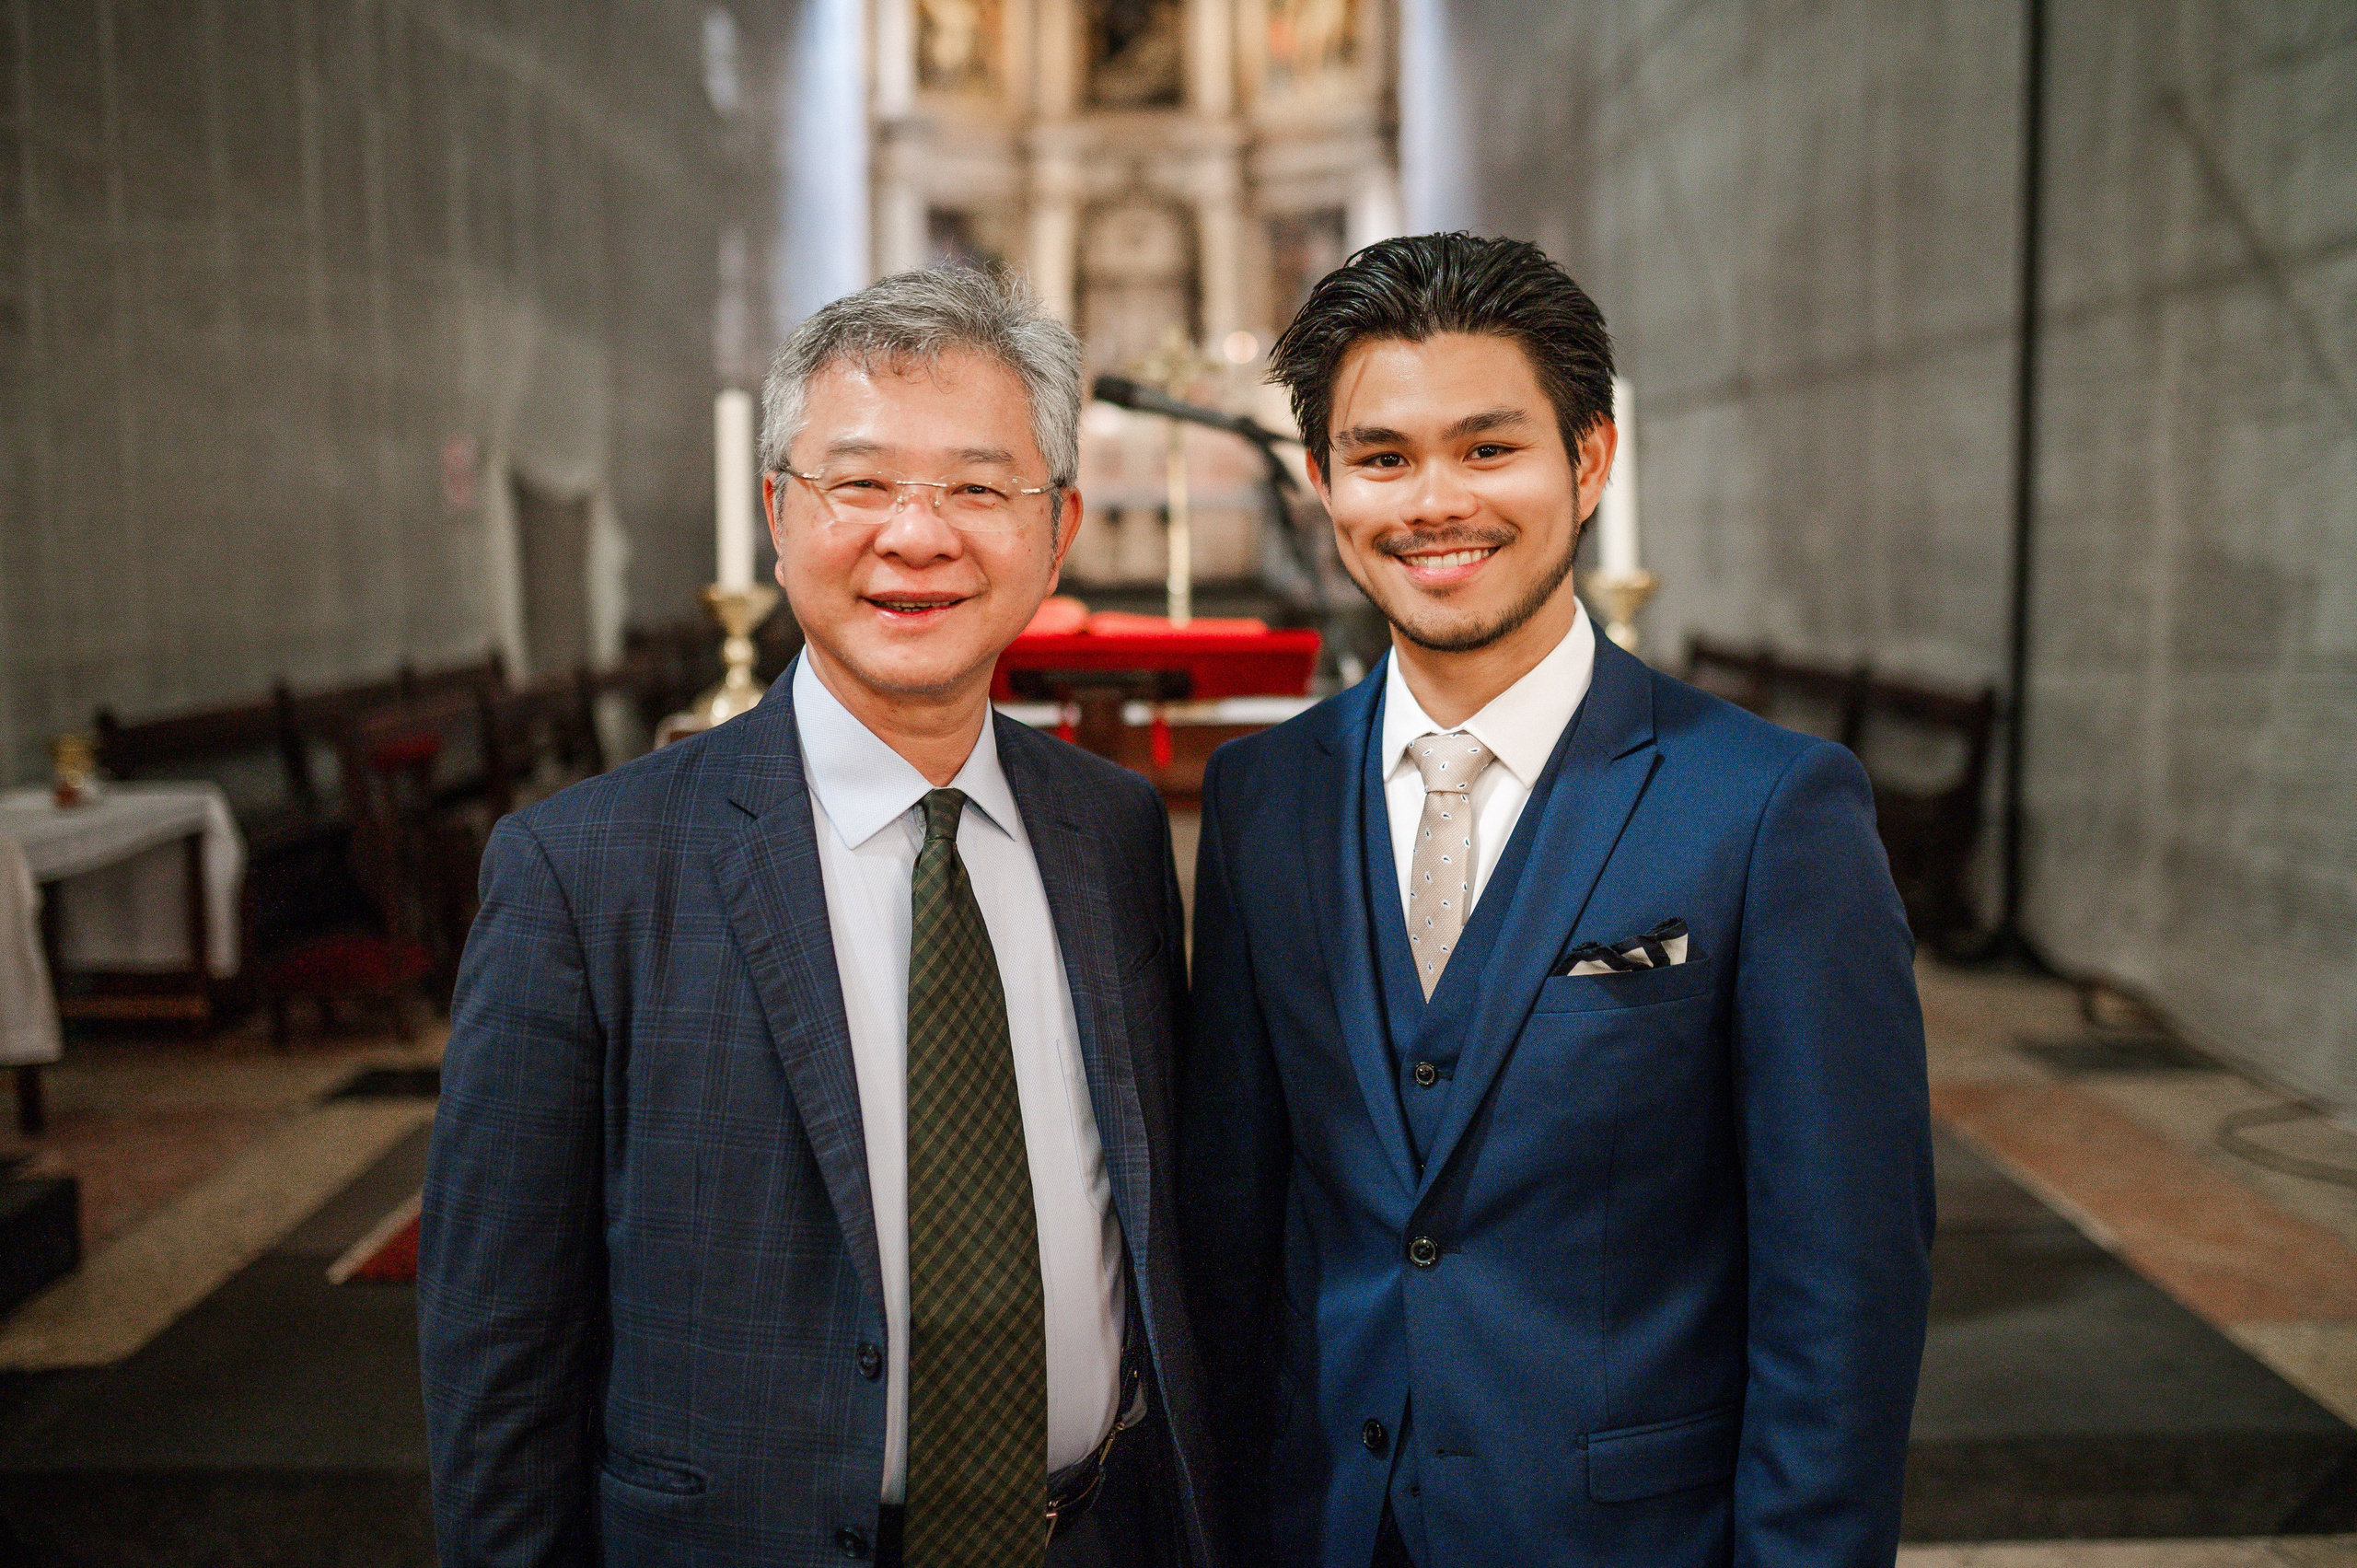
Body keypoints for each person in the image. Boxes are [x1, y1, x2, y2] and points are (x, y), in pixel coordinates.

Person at [422, 268, 1215, 1568]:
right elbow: (499, 1349)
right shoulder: (585, 869)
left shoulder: (1113, 833)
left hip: (1099, 1534)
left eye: (976, 487)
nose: (918, 535)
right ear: (780, 516)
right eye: (860, 484)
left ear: (1058, 530)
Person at [1179, 233, 1933, 1568]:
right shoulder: (1262, 800)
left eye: (1488, 449)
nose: (1434, 504)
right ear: (1322, 485)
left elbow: (1844, 1289)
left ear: (1589, 460)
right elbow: (1239, 1232)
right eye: (1383, 457)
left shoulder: (1768, 809)